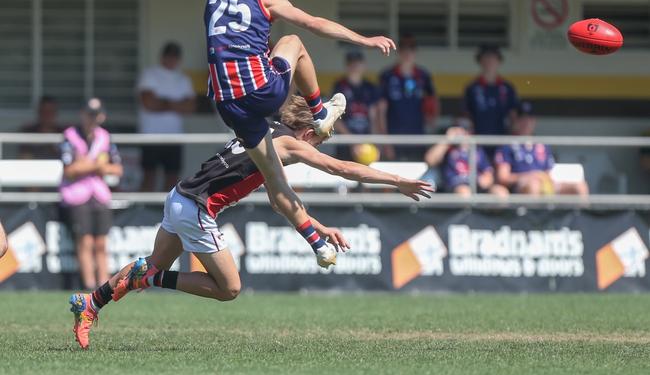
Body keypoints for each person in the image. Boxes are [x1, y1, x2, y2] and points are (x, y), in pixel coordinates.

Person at [68, 96, 432, 349]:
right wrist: (397, 180)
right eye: (322, 139)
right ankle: (149, 279)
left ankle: (92, 303)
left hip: (179, 196)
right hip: (197, 207)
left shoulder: (265, 130)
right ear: (309, 133)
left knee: (153, 261)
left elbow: (280, 200)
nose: (320, 146)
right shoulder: (291, 144)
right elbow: (343, 168)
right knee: (228, 288)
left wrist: (316, 227)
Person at [205, 0, 395, 268]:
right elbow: (314, 23)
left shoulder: (214, 1)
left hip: (228, 106)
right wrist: (364, 40)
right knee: (294, 42)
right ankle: (320, 114)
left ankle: (318, 246)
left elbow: (250, 38)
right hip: (261, 94)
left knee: (273, 177)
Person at [60, 98, 124, 290]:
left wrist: (86, 165)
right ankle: (89, 285)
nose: (92, 119)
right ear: (82, 114)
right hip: (77, 196)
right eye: (89, 114)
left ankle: (104, 286)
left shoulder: (104, 136)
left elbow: (117, 169)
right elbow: (69, 170)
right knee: (85, 242)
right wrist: (97, 165)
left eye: (96, 115)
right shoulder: (70, 136)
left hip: (99, 195)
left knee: (101, 244)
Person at [495, 102, 589, 197]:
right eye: (522, 118)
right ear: (516, 120)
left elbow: (549, 172)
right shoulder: (507, 145)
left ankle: (583, 212)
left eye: (529, 119)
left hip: (545, 184)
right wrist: (529, 176)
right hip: (521, 187)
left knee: (580, 186)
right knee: (534, 185)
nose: (526, 122)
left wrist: (542, 178)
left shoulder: (542, 145)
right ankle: (533, 212)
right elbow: (503, 177)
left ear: (534, 121)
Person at [138, 42, 196, 192]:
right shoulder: (150, 74)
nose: (172, 60)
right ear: (163, 57)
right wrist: (176, 104)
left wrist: (163, 101)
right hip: (151, 135)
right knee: (149, 175)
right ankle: (144, 211)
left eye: (175, 57)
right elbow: (149, 103)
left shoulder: (183, 79)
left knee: (172, 177)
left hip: (175, 136)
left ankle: (167, 212)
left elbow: (190, 107)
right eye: (169, 56)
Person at [378, 34, 438, 160]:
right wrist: (385, 141)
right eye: (404, 49)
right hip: (393, 137)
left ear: (415, 52)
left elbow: (433, 102)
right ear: (398, 51)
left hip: (418, 136)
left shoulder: (423, 75)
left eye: (411, 49)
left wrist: (432, 126)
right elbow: (381, 110)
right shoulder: (387, 75)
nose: (407, 53)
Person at [424, 123, 508, 197]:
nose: (461, 133)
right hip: (455, 186)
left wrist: (485, 180)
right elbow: (430, 160)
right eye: (458, 130)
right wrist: (447, 139)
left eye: (465, 130)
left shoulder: (477, 149)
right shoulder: (447, 148)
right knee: (464, 192)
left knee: (501, 193)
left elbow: (488, 174)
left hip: (478, 186)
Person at [332, 49, 381, 161]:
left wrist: (377, 144)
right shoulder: (339, 86)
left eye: (357, 62)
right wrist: (352, 142)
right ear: (346, 65)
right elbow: (335, 119)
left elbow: (374, 118)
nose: (354, 66)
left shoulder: (370, 87)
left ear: (364, 65)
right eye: (351, 62)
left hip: (367, 146)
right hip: (345, 145)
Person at [464, 45, 519, 137]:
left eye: (493, 58)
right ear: (480, 61)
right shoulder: (472, 88)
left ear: (499, 61)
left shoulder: (507, 87)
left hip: (503, 140)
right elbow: (466, 114)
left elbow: (513, 116)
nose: (490, 61)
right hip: (478, 139)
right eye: (486, 57)